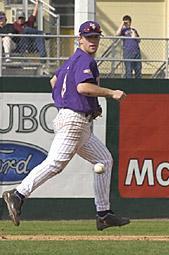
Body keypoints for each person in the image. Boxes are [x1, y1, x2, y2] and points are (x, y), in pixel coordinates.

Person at [2, 20, 130, 231]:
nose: (93, 41)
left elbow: (54, 81)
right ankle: (18, 194)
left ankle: (103, 214)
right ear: (79, 39)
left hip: (79, 120)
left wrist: (76, 102)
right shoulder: (85, 59)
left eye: (96, 37)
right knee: (55, 163)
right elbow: (82, 87)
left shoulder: (72, 60)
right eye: (89, 37)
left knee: (104, 160)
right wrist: (111, 93)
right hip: (74, 120)